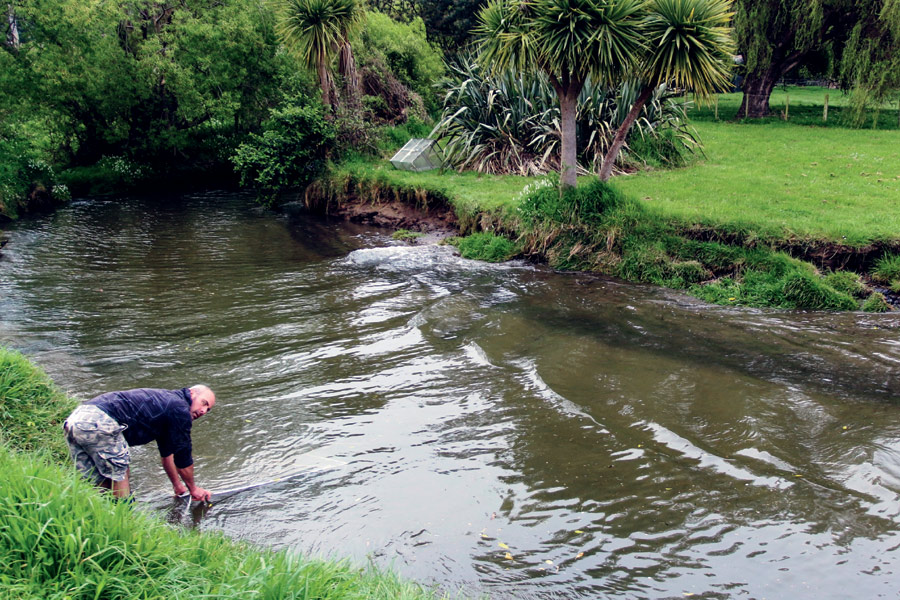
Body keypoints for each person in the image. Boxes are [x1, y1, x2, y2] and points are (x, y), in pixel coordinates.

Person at [62, 385, 216, 501]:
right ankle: (125, 519)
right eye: (203, 403)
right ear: (191, 393)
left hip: (76, 419)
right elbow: (183, 458)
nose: (203, 411)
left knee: (96, 481)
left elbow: (167, 455)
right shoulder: (180, 409)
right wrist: (194, 489)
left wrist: (178, 486)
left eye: (208, 409)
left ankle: (103, 518)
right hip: (99, 421)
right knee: (120, 470)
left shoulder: (168, 408)